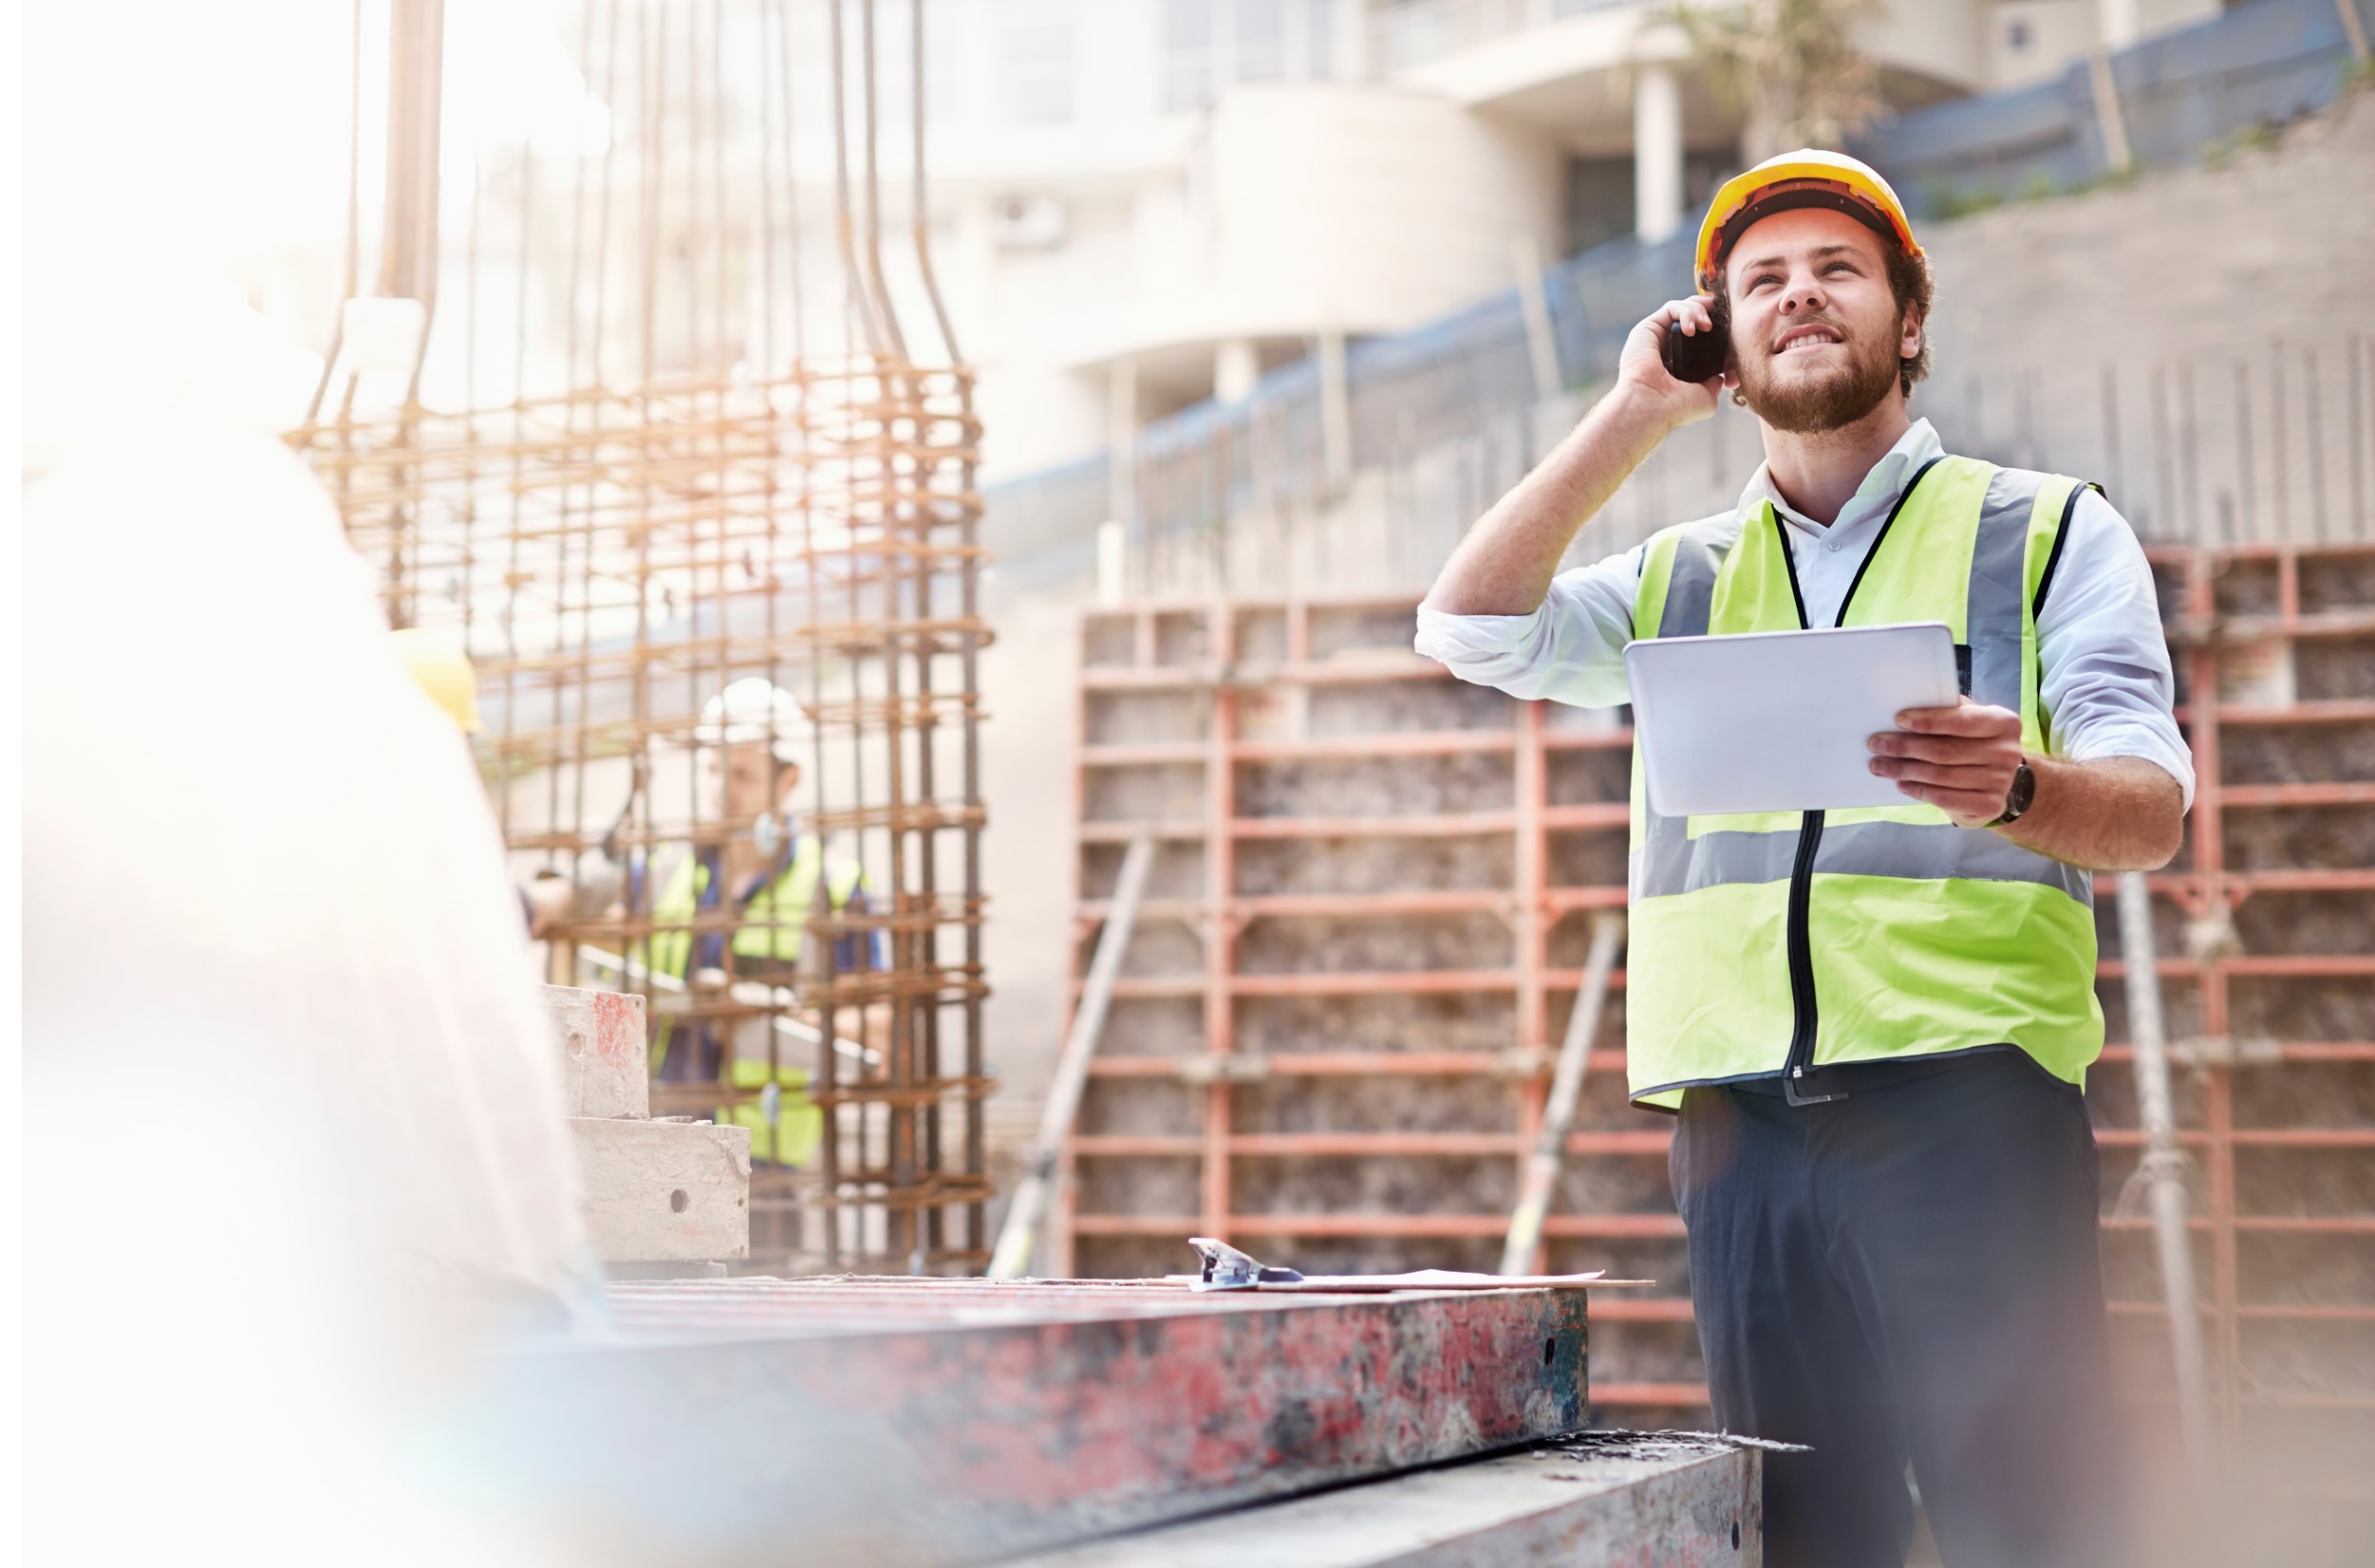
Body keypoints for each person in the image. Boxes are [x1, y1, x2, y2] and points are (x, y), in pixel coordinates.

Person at [1415, 149, 2189, 1567]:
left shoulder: (2044, 530)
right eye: (1758, 280)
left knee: (2031, 1530)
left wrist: (2016, 786)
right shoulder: (1680, 574)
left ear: (1908, 317)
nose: (1797, 295)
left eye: (1837, 268)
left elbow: (2147, 808)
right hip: (1737, 1140)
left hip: (1968, 1114)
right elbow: (1467, 629)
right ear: (1721, 336)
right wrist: (1638, 406)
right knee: (1796, 1540)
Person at [641, 678, 877, 1170]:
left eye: (743, 776)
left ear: (789, 780)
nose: (720, 792)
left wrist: (771, 1013)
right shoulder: (665, 871)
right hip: (654, 1137)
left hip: (760, 1160)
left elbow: (878, 1029)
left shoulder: (832, 888)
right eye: (712, 771)